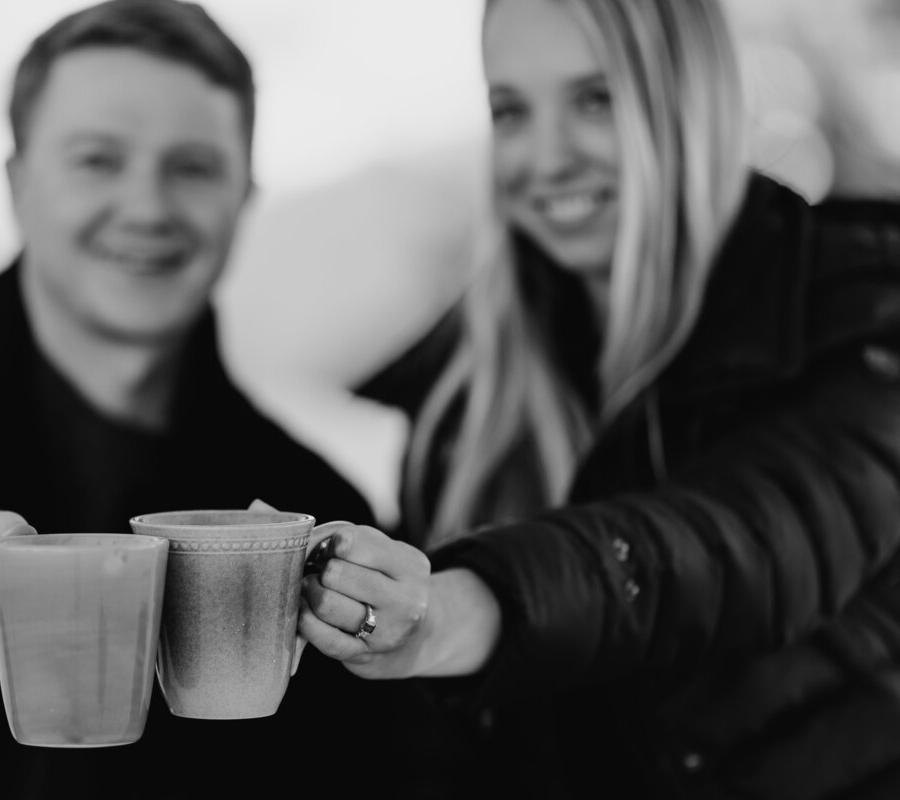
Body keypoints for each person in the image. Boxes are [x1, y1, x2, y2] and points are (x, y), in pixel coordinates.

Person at [0, 2, 471, 797]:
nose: (148, 207)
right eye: (97, 160)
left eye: (193, 166)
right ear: (18, 184)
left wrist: (416, 637)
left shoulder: (302, 509)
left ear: (244, 198)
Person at [298, 0, 900, 798]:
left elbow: (744, 543)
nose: (544, 157)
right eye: (510, 110)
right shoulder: (468, 394)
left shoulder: (861, 307)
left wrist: (456, 613)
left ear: (692, 98)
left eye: (595, 99)